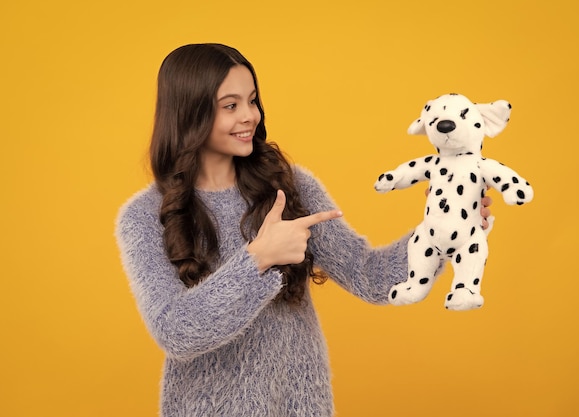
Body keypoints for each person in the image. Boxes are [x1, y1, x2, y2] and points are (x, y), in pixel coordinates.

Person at [115, 43, 492, 416]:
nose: (250, 115)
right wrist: (258, 259)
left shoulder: (289, 185)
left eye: (252, 100)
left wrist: (439, 233)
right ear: (189, 112)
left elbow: (369, 276)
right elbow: (176, 332)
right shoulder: (144, 216)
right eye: (230, 106)